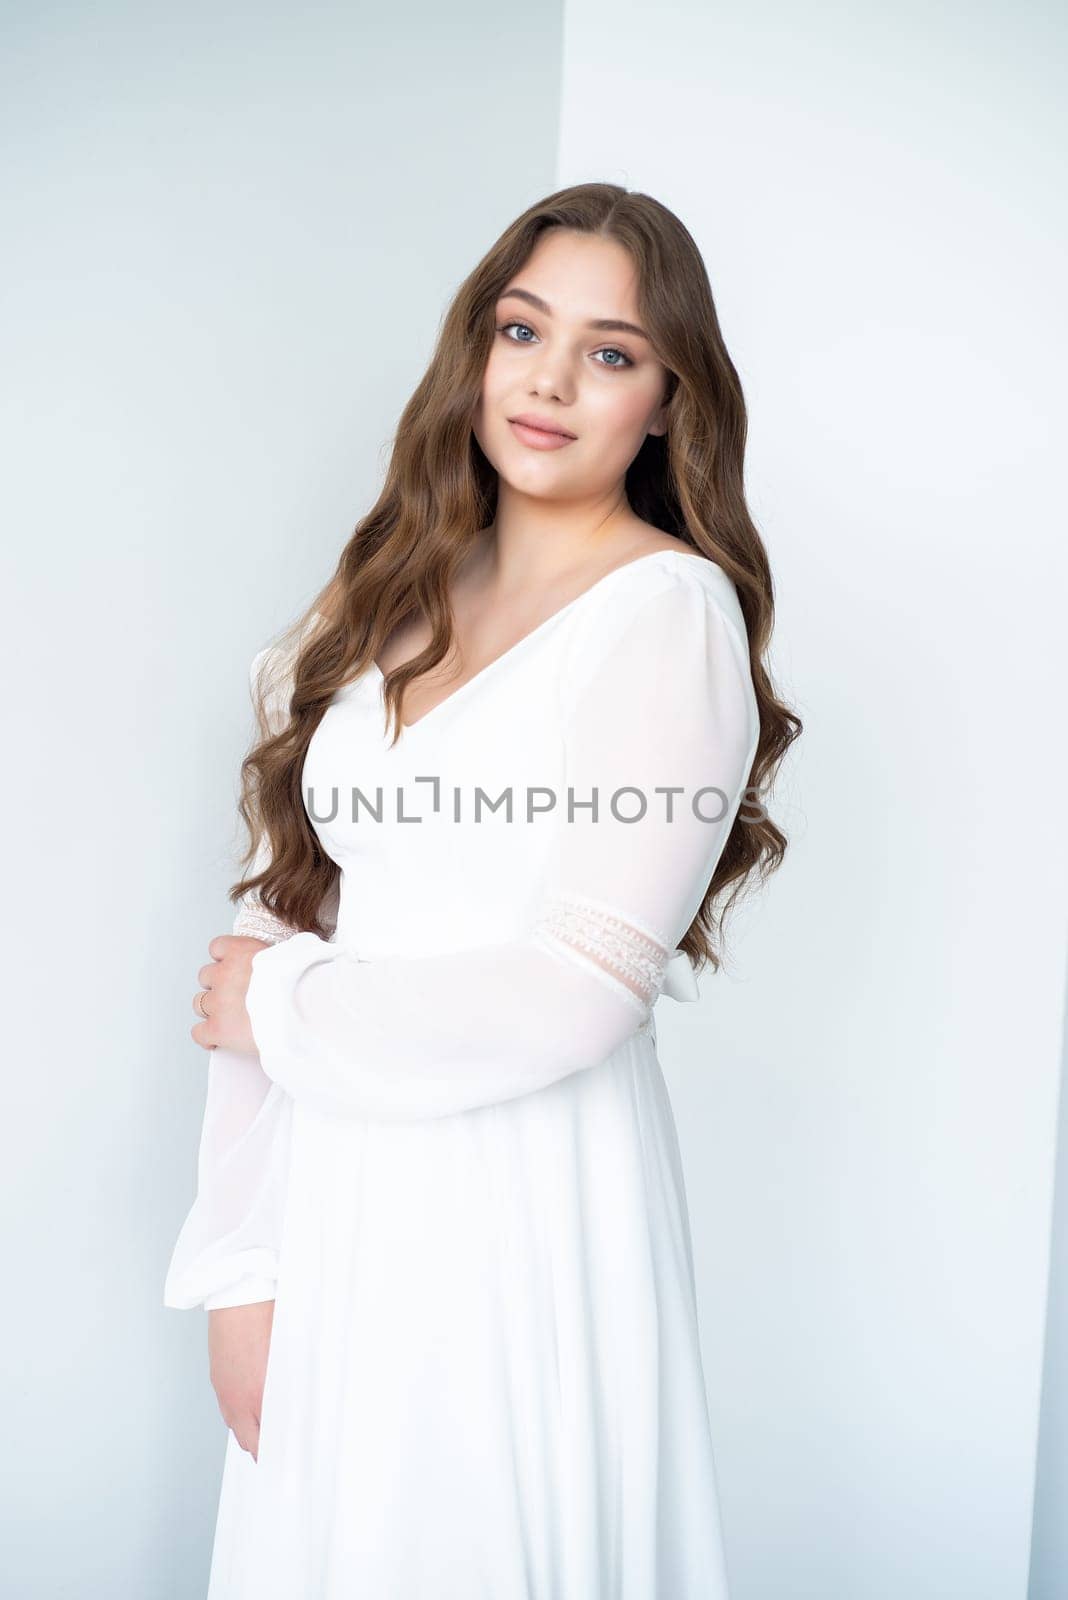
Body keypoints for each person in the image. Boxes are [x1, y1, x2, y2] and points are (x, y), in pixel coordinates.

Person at [163, 181, 801, 1599]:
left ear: (667, 400)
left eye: (613, 351)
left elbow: (579, 990)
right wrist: (241, 1269)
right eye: (525, 329)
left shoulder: (667, 613)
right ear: (477, 347)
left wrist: (280, 1004)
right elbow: (290, 914)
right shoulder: (395, 589)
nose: (554, 380)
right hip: (333, 1193)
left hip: (519, 1197)